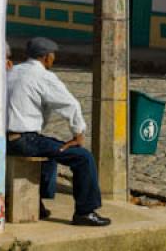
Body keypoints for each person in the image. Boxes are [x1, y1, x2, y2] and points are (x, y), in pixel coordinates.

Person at [6, 36, 111, 227]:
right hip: (24, 140)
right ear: (46, 57)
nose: (53, 59)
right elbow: (70, 104)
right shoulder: (43, 76)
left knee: (51, 152)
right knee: (83, 157)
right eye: (53, 56)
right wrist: (78, 135)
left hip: (4, 138)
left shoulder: (13, 71)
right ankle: (85, 211)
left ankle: (38, 203)